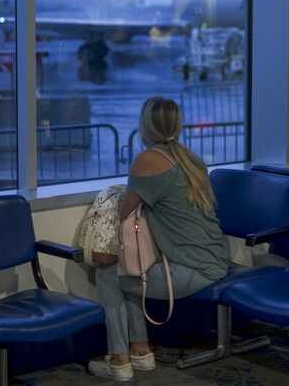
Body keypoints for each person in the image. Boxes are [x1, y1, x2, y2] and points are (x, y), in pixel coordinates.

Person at [88, 96, 230, 382]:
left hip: (191, 269)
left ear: (145, 126)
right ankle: (140, 351)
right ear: (178, 124)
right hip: (215, 260)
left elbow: (123, 210)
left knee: (108, 273)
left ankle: (119, 359)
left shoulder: (148, 160)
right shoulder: (191, 159)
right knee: (130, 274)